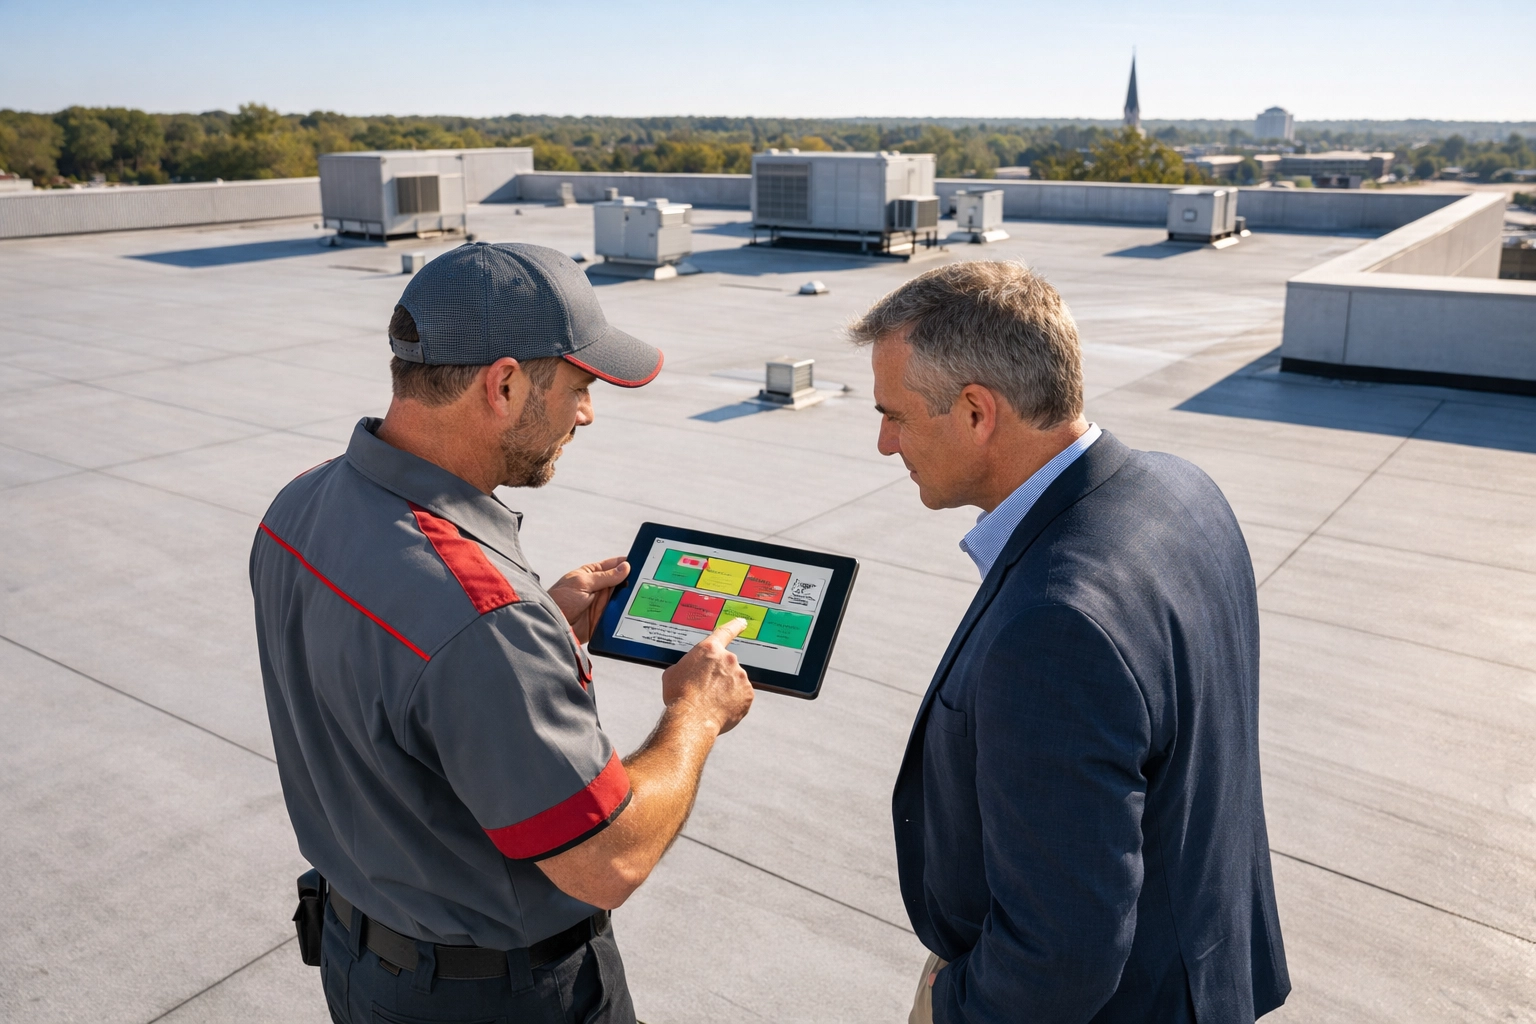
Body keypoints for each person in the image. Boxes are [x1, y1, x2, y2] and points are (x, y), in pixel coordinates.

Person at [250, 242, 754, 1024]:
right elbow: (608, 861)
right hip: (494, 1000)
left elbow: (385, 681)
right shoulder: (484, 619)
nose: (586, 413)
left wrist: (532, 636)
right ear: (506, 383)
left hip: (360, 963)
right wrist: (696, 715)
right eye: (580, 387)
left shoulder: (300, 507)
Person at [849, 262, 1290, 1023]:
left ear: (978, 412)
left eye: (896, 415)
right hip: (1203, 970)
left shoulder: (1055, 628)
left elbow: (1061, 956)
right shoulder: (1183, 488)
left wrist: (949, 1003)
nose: (885, 443)